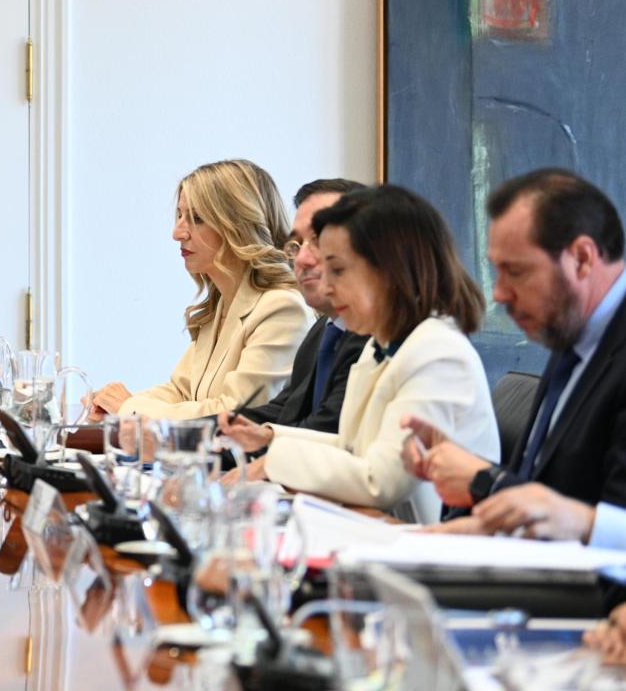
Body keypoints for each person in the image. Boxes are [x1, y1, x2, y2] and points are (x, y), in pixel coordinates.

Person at [219, 185, 499, 523]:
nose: (327, 287)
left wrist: (272, 461)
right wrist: (271, 436)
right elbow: (354, 446)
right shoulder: (382, 344)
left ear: (389, 271)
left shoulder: (437, 353)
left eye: (338, 270)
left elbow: (381, 482)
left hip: (430, 551)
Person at [401, 169, 626, 539]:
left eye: (515, 271)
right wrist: (471, 509)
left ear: (582, 259)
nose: (499, 294)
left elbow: (590, 520)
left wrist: (482, 480)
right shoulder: (568, 337)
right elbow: (544, 499)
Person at [88, 159, 310, 420]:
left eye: (196, 218)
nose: (177, 232)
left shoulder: (282, 308)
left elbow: (233, 413)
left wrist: (129, 408)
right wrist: (113, 406)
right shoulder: (219, 305)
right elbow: (181, 392)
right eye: (180, 216)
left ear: (237, 225)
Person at [234, 178, 371, 436]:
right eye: (296, 245)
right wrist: (191, 435)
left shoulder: (380, 336)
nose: (303, 259)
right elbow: (285, 411)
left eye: (319, 240)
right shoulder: (323, 330)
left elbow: (325, 431)